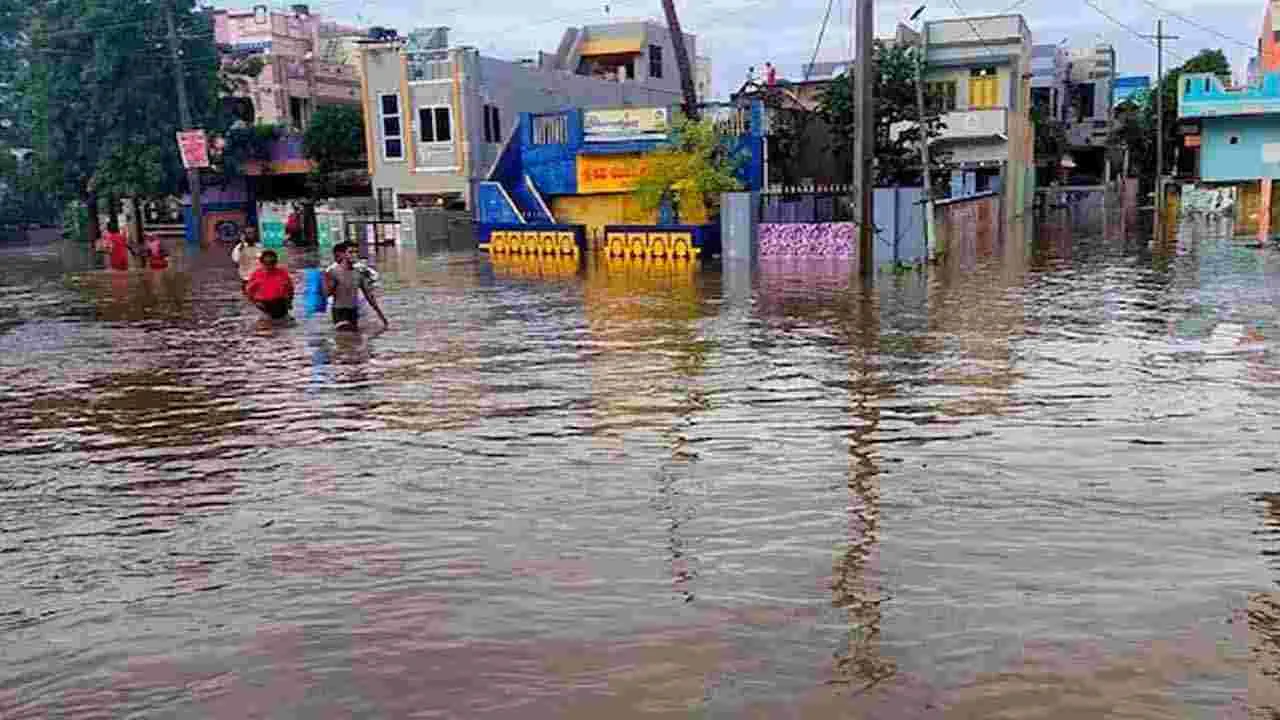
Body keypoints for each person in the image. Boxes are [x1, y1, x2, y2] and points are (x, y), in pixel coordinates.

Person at [324, 241, 388, 331]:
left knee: (355, 339)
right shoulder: (333, 272)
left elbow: (369, 297)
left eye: (356, 252)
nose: (354, 255)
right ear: (342, 254)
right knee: (347, 335)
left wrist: (382, 317)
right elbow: (326, 294)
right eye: (350, 252)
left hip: (353, 311)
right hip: (339, 311)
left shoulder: (358, 274)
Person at [244, 250, 294, 321]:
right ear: (262, 262)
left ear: (276, 262)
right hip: (265, 307)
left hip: (281, 305)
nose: (269, 265)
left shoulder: (283, 273)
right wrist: (255, 302)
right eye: (267, 263)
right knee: (266, 327)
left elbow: (290, 289)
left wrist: (290, 302)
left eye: (272, 262)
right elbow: (248, 291)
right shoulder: (257, 275)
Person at [231, 225, 262, 289]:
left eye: (252, 233)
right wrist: (241, 245)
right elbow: (236, 259)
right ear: (244, 235)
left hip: (260, 279)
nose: (251, 235)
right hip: (247, 279)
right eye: (248, 233)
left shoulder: (261, 246)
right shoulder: (239, 247)